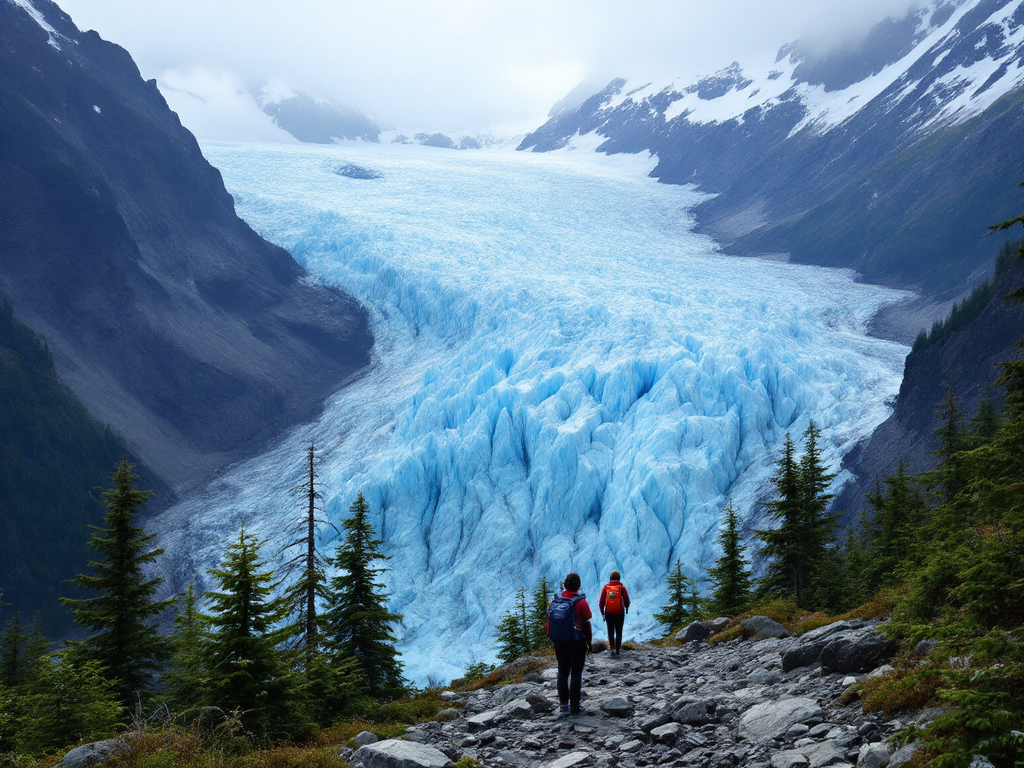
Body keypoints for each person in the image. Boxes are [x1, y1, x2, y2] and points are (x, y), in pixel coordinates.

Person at [546, 572, 592, 715]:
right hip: (576, 643)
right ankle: (575, 707)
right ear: (578, 586)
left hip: (560, 642)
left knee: (563, 671)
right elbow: (587, 622)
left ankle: (563, 705)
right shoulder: (581, 603)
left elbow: (548, 624)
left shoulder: (554, 602)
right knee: (576, 673)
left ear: (565, 585)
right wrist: (589, 644)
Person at [599, 570, 630, 656]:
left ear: (610, 578)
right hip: (620, 612)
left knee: (610, 630)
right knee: (619, 630)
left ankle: (612, 649)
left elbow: (601, 601)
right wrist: (626, 607)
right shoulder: (622, 587)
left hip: (608, 612)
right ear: (619, 578)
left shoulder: (606, 587)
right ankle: (618, 649)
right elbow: (627, 599)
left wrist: (602, 612)